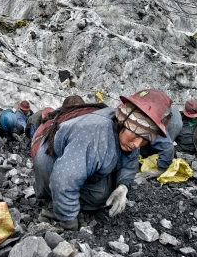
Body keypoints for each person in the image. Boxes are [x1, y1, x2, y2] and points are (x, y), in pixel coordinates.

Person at [33, 89, 173, 230]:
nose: (137, 144)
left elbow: (130, 164)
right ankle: (56, 205)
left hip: (75, 163)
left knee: (107, 190)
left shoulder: (129, 133)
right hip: (51, 168)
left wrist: (123, 185)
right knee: (99, 196)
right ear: (123, 120)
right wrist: (68, 220)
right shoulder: (95, 136)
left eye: (144, 140)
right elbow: (63, 180)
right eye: (136, 135)